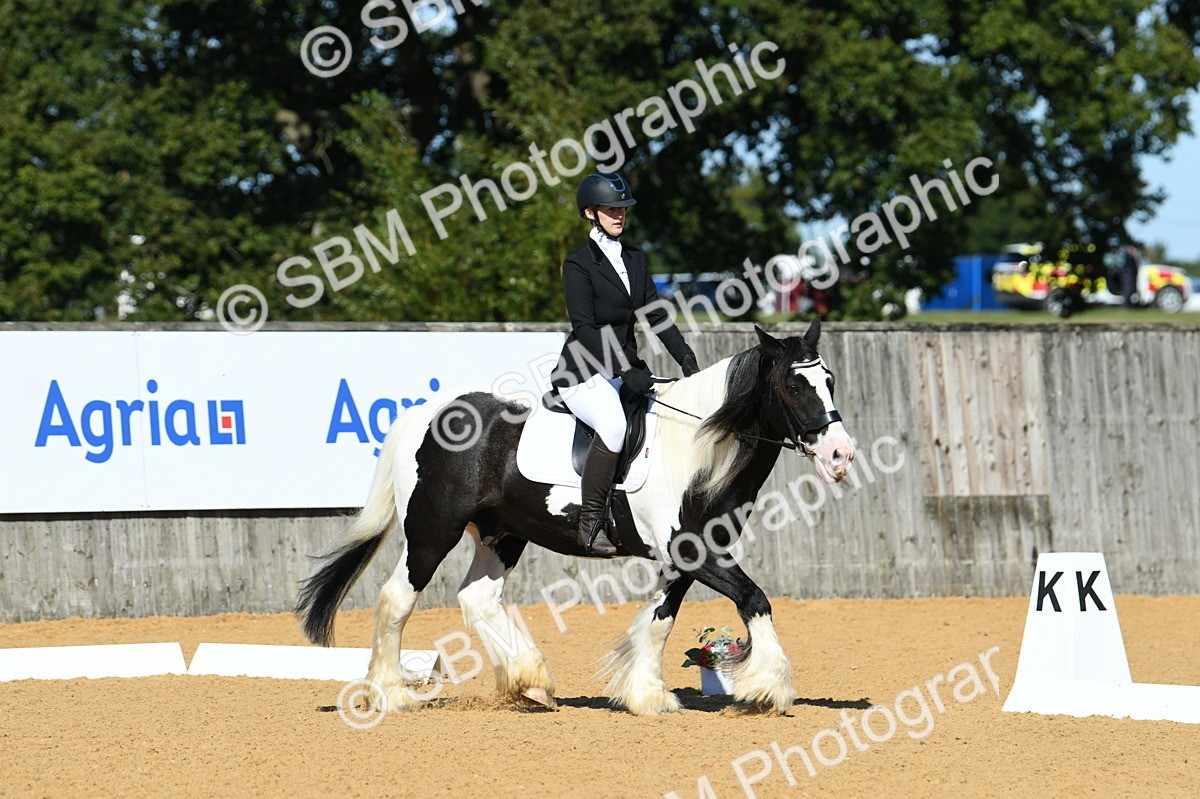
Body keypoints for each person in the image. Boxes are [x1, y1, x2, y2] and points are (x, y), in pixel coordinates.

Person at [550, 172, 700, 556]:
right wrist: (622, 370)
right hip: (582, 371)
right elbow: (585, 328)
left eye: (622, 209)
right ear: (590, 213)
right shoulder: (578, 264)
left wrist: (684, 356)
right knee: (614, 425)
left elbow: (656, 313)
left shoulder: (635, 258)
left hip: (623, 369)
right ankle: (590, 521)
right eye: (610, 209)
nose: (619, 215)